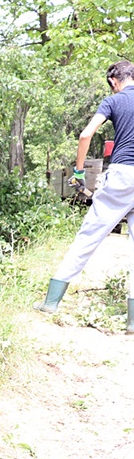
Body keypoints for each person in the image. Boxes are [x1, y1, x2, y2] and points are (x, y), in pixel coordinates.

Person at [35, 60, 134, 333]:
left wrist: (79, 172)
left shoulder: (113, 101)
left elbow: (85, 134)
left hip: (123, 173)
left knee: (88, 236)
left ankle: (50, 302)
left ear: (114, 80)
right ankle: (132, 322)